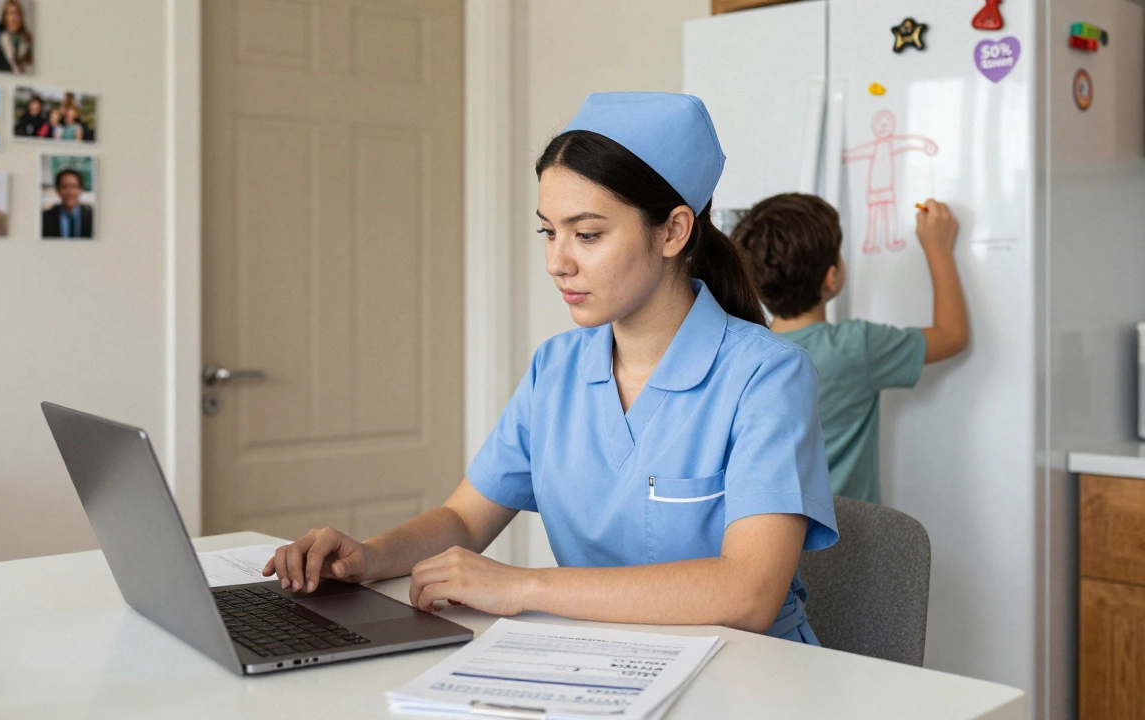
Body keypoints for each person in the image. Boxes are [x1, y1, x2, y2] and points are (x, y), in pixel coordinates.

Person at [262, 92, 838, 643]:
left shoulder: (766, 375)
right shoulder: (556, 369)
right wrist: (370, 555)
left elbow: (749, 593)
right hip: (598, 669)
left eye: (587, 234)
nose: (557, 262)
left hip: (750, 679)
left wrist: (525, 585)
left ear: (674, 231)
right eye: (548, 231)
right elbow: (464, 520)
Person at [732, 193, 969, 503]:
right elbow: (952, 335)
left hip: (776, 540)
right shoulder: (855, 348)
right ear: (831, 278)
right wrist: (937, 248)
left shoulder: (745, 353)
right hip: (850, 544)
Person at [41, 168, 93, 238]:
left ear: (80, 189)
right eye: (64, 187)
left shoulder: (93, 217)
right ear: (57, 190)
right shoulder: (44, 218)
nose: (69, 192)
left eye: (73, 187)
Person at [0, 0, 31, 74]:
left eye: (17, 13)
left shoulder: (27, 40)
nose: (13, 18)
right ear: (4, 17)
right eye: (10, 13)